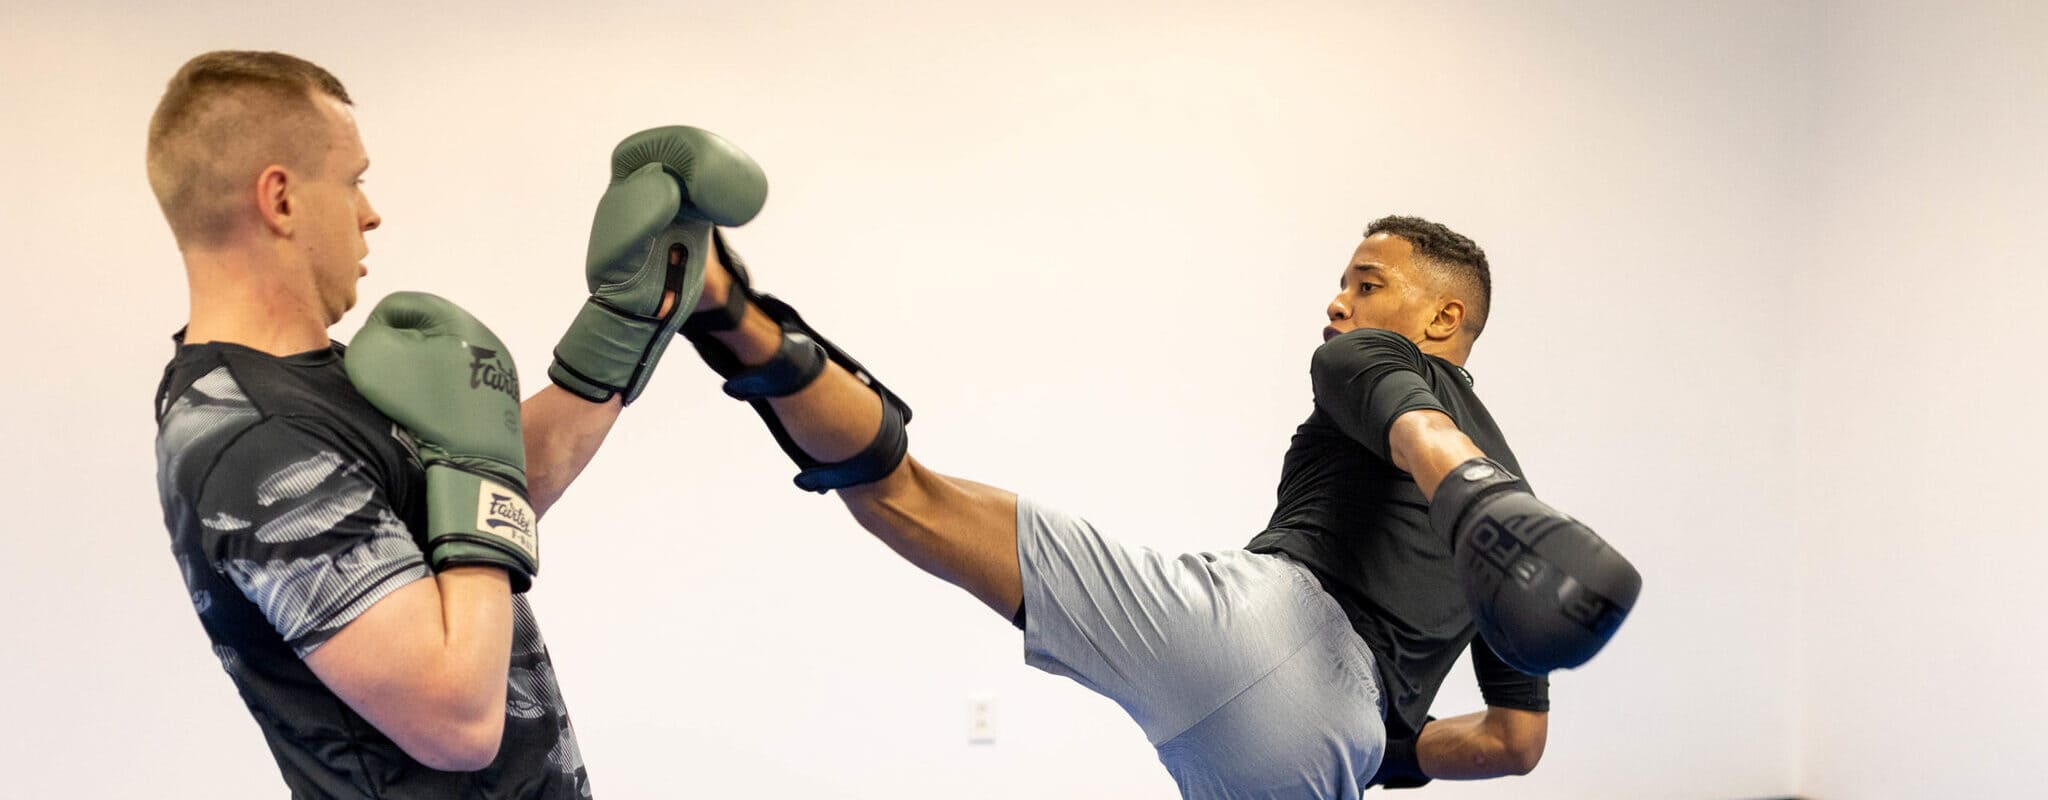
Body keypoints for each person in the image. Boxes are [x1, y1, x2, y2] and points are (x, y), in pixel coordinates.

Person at [671, 131, 1640, 798]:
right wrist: (1384, 749)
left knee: (901, 492)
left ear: (1442, 318)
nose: (1337, 303)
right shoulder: (1520, 553)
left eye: (1366, 281)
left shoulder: (1372, 365)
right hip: (1329, 745)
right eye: (1341, 282)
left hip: (1260, 624)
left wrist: (1473, 496)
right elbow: (1514, 744)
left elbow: (1416, 429)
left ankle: (722, 299)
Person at [146, 52, 758, 797]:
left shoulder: (310, 386)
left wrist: (626, 321)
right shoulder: (249, 439)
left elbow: (476, 515)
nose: (370, 213)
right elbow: (455, 719)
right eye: (352, 180)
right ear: (280, 199)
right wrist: (476, 467)